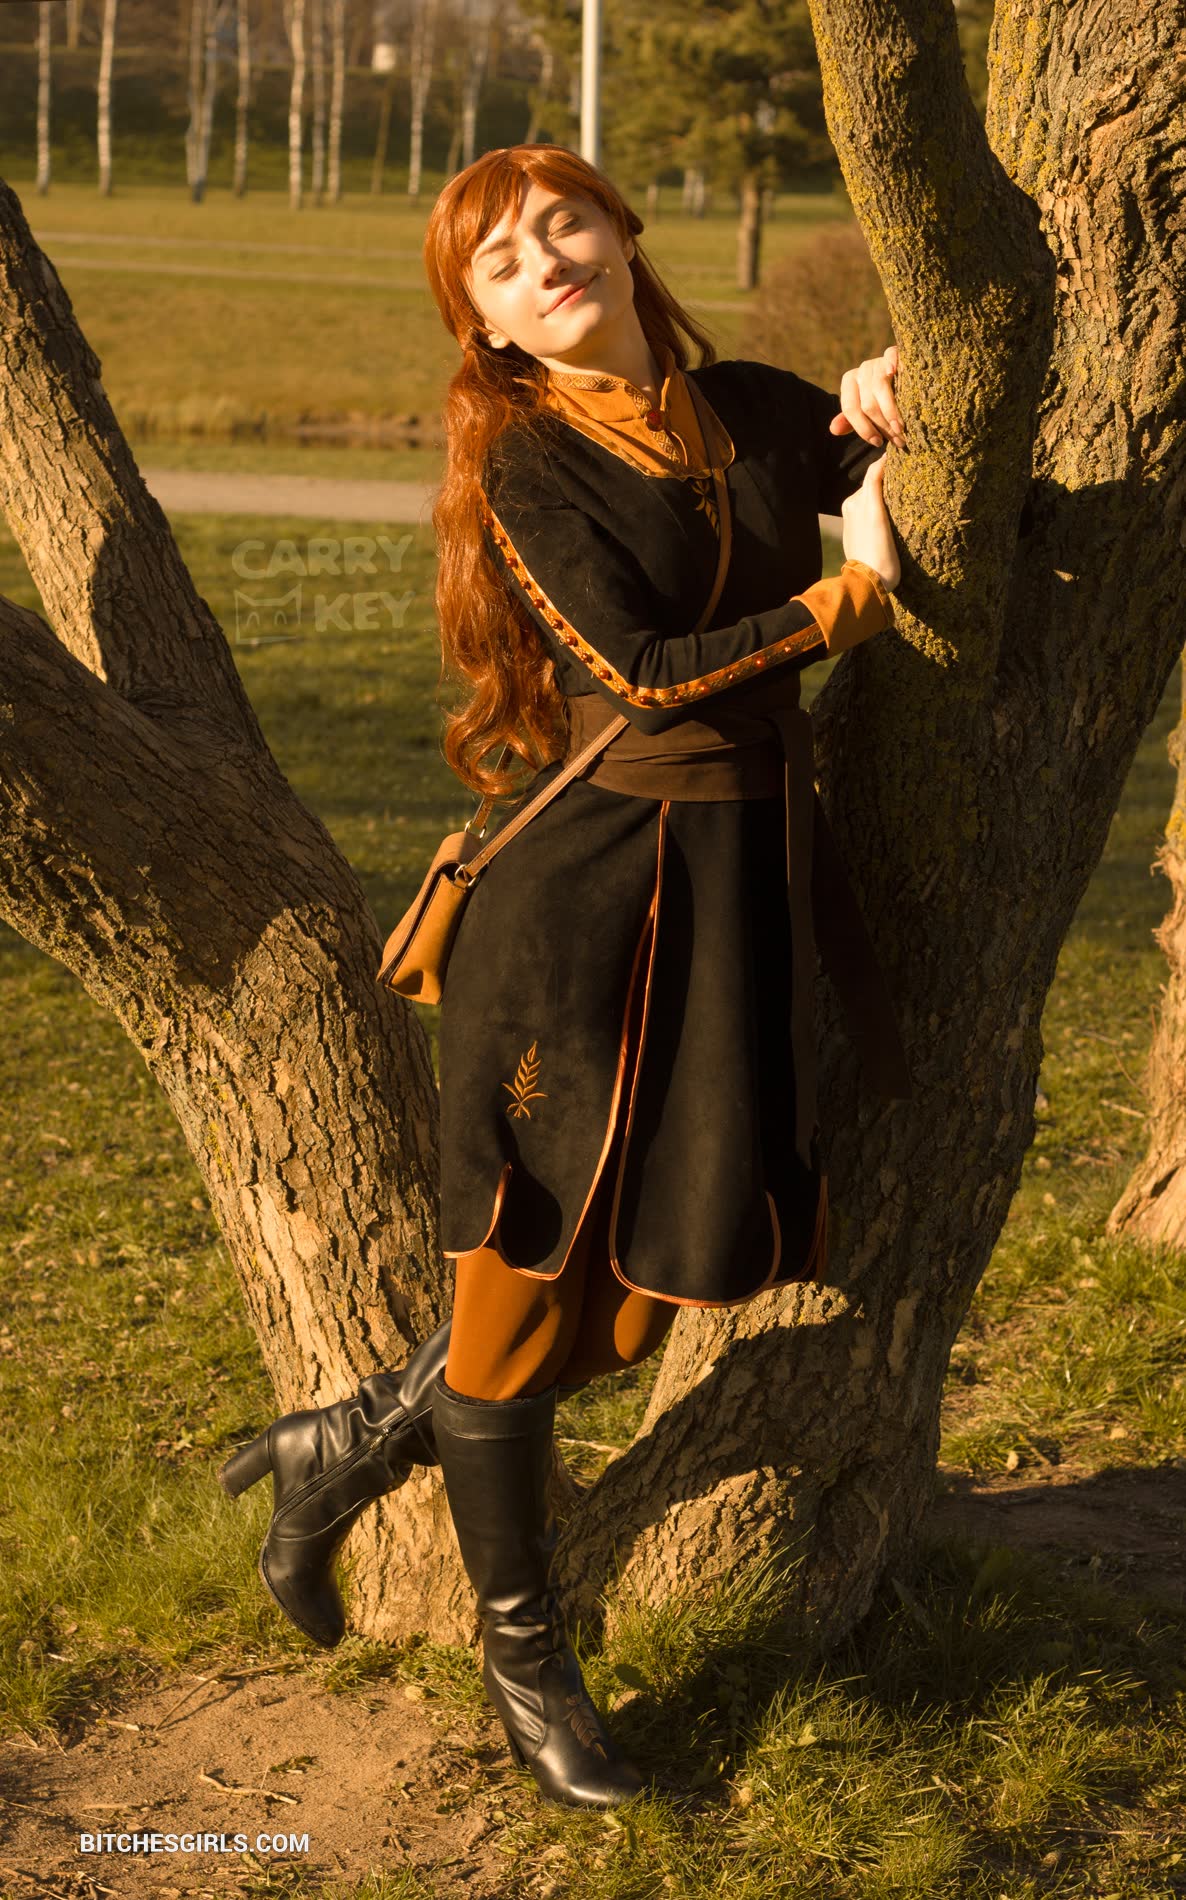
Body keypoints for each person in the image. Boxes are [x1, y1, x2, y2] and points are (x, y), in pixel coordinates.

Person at [219, 143, 912, 1812]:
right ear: (486, 326)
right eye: (502, 261)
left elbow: (872, 449)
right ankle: (527, 1665)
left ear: (620, 229)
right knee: (527, 1272)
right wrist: (847, 603)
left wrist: (893, 387)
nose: (546, 261)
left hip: (738, 884)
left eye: (564, 224)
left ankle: (346, 1442)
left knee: (660, 1252)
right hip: (581, 907)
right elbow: (642, 671)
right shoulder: (526, 462)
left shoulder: (745, 406)